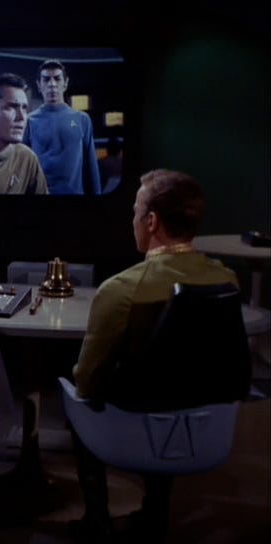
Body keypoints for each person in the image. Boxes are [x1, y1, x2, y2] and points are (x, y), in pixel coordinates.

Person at [68, 169, 248, 543]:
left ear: (151, 221)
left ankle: (97, 520)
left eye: (135, 212)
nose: (133, 220)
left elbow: (87, 382)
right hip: (204, 422)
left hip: (132, 424)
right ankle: (155, 512)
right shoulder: (226, 279)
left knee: (77, 394)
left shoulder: (120, 289)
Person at [23, 59, 101, 195]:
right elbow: (23, 168)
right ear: (39, 85)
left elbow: (91, 169)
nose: (52, 84)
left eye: (57, 79)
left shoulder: (82, 119)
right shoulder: (29, 121)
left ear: (65, 83)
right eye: (46, 79)